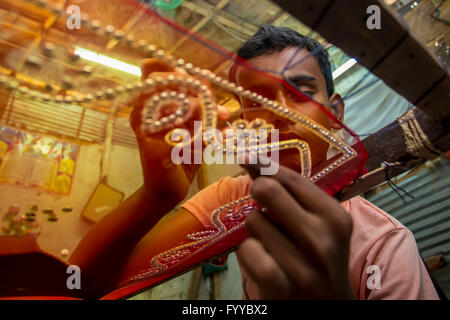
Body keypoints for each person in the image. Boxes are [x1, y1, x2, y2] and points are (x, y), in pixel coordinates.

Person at [69, 25, 439, 300]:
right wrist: (156, 196)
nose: (278, 113)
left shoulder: (383, 246)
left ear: (335, 111)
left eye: (301, 92)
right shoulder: (235, 197)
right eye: (257, 99)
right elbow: (83, 285)